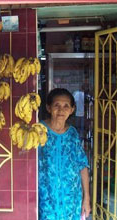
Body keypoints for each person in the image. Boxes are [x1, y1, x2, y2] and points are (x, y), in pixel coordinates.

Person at [38, 88, 90, 220]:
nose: (61, 110)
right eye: (57, 105)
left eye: (66, 106)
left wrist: (86, 198)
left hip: (71, 201)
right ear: (49, 108)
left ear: (72, 110)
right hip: (46, 200)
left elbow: (82, 165)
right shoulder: (38, 131)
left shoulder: (73, 133)